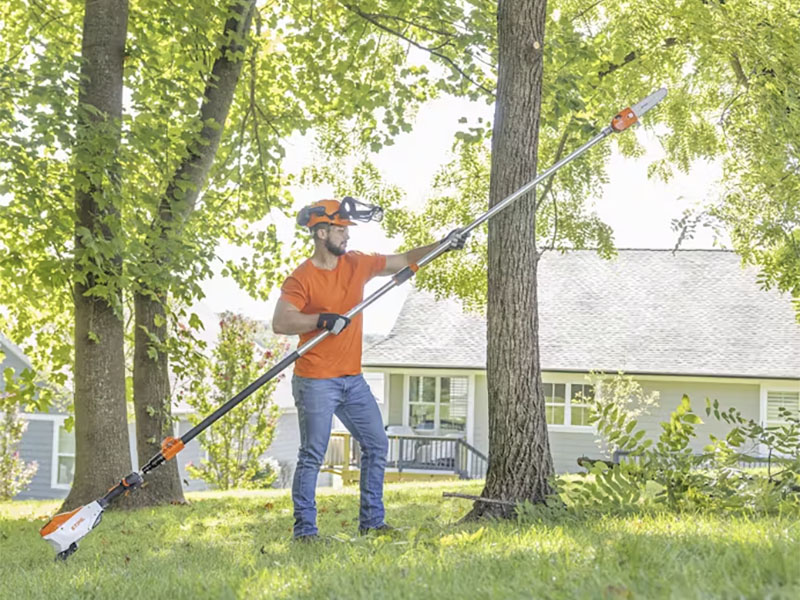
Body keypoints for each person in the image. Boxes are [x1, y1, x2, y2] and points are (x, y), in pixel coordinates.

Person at [272, 198, 469, 540]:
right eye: (340, 230)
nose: (347, 236)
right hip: (316, 380)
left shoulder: (356, 263)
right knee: (313, 455)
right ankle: (305, 532)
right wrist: (321, 320)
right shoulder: (301, 278)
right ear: (321, 233)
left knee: (377, 444)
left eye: (347, 230)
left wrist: (444, 244)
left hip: (352, 380)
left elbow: (403, 260)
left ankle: (372, 524)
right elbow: (281, 321)